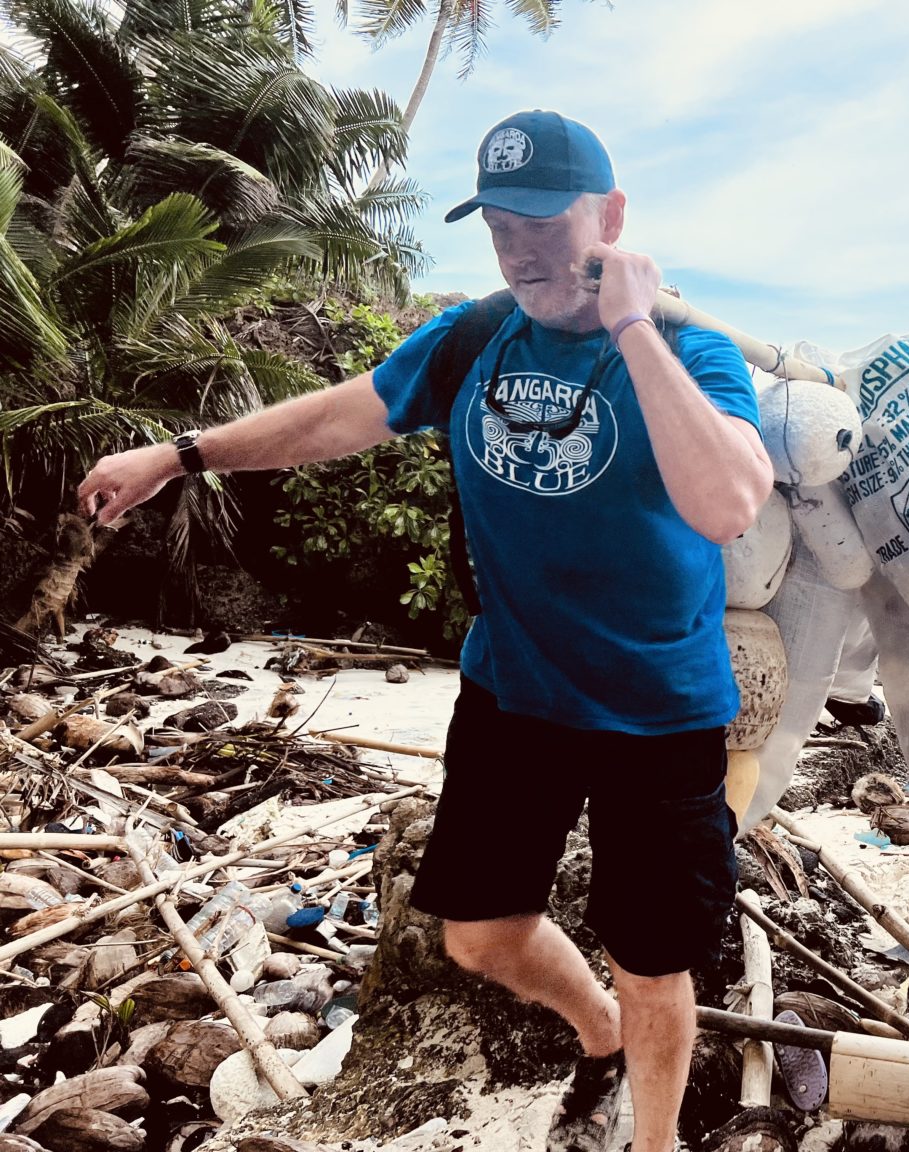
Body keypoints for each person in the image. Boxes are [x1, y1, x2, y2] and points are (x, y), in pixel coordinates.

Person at [77, 109, 774, 1152]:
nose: (522, 248)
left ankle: (654, 1139)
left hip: (659, 709)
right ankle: (595, 1036)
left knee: (655, 960)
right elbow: (331, 418)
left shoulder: (690, 350)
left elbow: (728, 504)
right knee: (480, 934)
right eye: (501, 225)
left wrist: (630, 329)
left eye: (546, 220)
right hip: (516, 695)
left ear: (612, 216)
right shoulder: (471, 339)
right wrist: (180, 457)